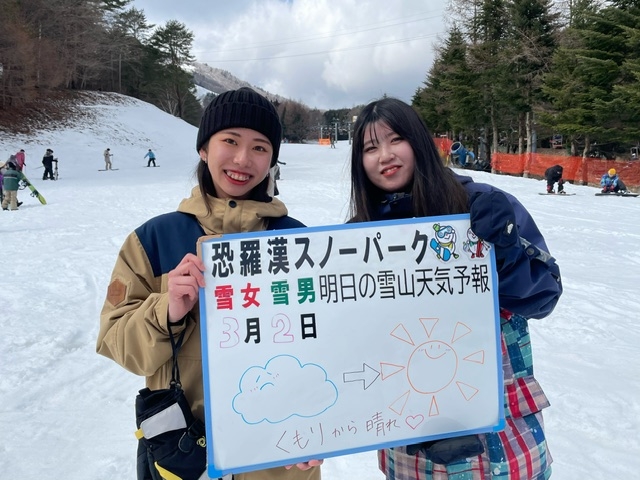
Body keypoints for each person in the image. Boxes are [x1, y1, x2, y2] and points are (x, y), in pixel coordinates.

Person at [96, 87, 321, 480]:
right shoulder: (151, 240)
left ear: (272, 159)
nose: (242, 159)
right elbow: (114, 341)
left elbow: (331, 346)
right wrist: (164, 310)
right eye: (229, 141)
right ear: (204, 148)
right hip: (183, 456)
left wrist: (325, 426)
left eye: (259, 147)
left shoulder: (299, 243)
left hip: (280, 460)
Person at [347, 97, 562, 480]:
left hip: (502, 428)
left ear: (419, 142)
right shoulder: (358, 237)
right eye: (369, 147)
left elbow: (543, 296)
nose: (384, 155)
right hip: (411, 436)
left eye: (395, 139)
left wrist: (505, 251)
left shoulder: (480, 205)